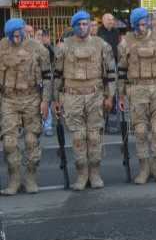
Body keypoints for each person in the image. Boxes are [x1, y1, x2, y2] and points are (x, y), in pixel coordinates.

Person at [54, 11, 116, 191]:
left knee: (95, 136)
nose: (82, 27)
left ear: (90, 25)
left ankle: (95, 173)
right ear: (73, 26)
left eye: (85, 23)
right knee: (78, 137)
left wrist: (109, 96)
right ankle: (82, 174)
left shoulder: (101, 45)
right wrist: (55, 100)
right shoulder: (64, 46)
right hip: (72, 97)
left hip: (95, 96)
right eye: (78, 24)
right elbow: (57, 76)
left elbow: (110, 74)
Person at [116, 7, 156, 184]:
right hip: (137, 91)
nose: (142, 28)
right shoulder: (125, 43)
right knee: (141, 131)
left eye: (144, 24)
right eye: (138, 25)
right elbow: (121, 72)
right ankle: (143, 169)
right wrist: (120, 96)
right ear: (133, 25)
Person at [0, 19, 51, 195]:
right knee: (9, 142)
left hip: (32, 98)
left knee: (31, 141)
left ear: (23, 31)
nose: (16, 38)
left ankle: (30, 178)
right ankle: (14, 180)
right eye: (12, 35)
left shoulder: (37, 48)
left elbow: (47, 77)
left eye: (19, 34)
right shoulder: (2, 47)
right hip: (9, 100)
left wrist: (45, 101)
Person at [37, 29, 56, 136]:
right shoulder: (32, 48)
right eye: (39, 35)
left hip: (47, 79)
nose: (41, 37)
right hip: (35, 80)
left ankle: (47, 125)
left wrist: (48, 46)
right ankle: (38, 124)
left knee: (46, 101)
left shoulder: (49, 48)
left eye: (43, 35)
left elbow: (54, 60)